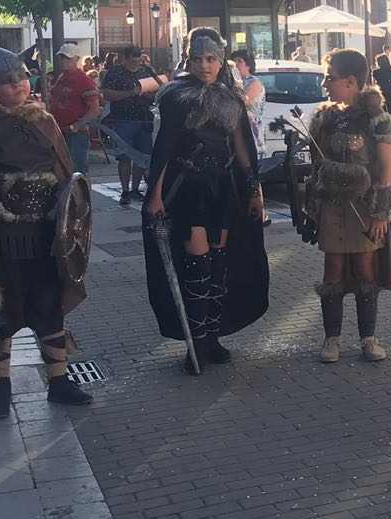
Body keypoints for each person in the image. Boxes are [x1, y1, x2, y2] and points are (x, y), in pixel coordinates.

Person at [0, 48, 93, 418]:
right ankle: (0, 389)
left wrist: (70, 233)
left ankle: (59, 382)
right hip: (1, 236)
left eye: (22, 79)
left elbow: (67, 180)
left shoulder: (45, 122)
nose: (18, 86)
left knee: (49, 304)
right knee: (1, 311)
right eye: (9, 82)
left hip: (45, 233)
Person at [143, 28, 269, 373]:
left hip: (222, 189)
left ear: (220, 60)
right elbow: (164, 149)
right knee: (196, 265)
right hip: (189, 190)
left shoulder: (231, 98)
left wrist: (253, 191)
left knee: (217, 264)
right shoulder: (174, 96)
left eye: (211, 59)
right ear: (189, 60)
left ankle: (212, 337)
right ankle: (194, 341)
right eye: (197, 59)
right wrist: (155, 194)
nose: (204, 65)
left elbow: (242, 150)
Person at [308, 48, 391, 364]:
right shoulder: (325, 117)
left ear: (350, 81)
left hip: (364, 207)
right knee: (332, 272)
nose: (325, 84)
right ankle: (331, 339)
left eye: (329, 77)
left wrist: (380, 213)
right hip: (333, 207)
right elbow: (315, 167)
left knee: (365, 271)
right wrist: (314, 206)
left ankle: (368, 338)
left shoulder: (378, 118)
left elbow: (386, 167)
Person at [99, 45, 161, 205]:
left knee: (141, 156)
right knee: (124, 156)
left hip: (143, 118)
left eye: (138, 58)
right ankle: (125, 190)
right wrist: (131, 93)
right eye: (133, 59)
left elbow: (157, 90)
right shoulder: (115, 72)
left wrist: (148, 94)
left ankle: (135, 189)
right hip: (123, 119)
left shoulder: (145, 71)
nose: (136, 62)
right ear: (125, 58)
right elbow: (107, 94)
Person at [229, 48, 269, 226]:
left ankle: (262, 213)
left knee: (253, 173)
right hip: (240, 132)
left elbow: (241, 101)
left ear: (248, 64)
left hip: (252, 133)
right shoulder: (234, 82)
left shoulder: (253, 82)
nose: (236, 65)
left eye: (240, 61)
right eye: (234, 61)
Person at [46, 44, 99, 175]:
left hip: (75, 135)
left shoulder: (84, 80)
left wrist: (74, 127)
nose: (64, 61)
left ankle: (79, 195)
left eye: (68, 58)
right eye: (62, 57)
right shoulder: (61, 77)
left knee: (75, 172)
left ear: (77, 59)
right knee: (62, 171)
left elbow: (94, 110)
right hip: (60, 132)